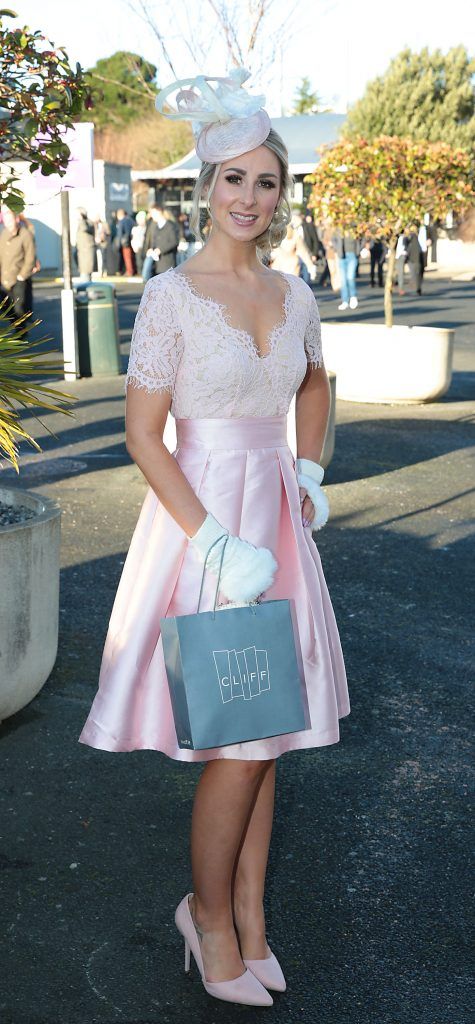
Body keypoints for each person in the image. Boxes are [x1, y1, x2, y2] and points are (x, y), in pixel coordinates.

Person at [79, 68, 350, 1008]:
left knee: (263, 735)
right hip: (207, 528)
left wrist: (309, 470)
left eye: (265, 180)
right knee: (238, 736)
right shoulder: (169, 295)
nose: (249, 197)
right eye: (233, 178)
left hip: (275, 512)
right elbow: (140, 437)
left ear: (283, 192)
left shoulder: (294, 290)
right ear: (205, 187)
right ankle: (207, 917)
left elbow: (314, 384)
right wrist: (216, 545)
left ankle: (250, 917)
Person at [0, 207, 36, 318]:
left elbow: (31, 257)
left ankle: (21, 334)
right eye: (6, 221)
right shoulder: (4, 234)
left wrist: (22, 275)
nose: (8, 224)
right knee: (6, 308)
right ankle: (16, 329)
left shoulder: (25, 235)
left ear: (16, 220)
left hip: (18, 279)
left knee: (19, 309)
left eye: (10, 221)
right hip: (4, 278)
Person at [141, 202, 178, 279]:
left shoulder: (170, 225)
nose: (151, 215)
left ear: (159, 211)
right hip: (156, 265)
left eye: (153, 213)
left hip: (167, 264)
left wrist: (160, 250)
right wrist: (151, 249)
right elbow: (154, 241)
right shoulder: (155, 226)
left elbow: (174, 241)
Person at [332, 230, 360, 309]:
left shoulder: (354, 228)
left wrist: (358, 250)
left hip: (352, 254)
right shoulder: (338, 228)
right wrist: (337, 249)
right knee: (343, 280)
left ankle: (353, 296)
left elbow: (361, 239)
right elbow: (333, 239)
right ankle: (345, 300)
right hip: (342, 256)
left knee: (350, 277)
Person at [75, 208, 95, 281]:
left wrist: (82, 219)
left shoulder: (87, 222)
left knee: (86, 272)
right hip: (82, 250)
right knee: (83, 272)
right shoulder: (83, 222)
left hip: (86, 250)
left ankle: (87, 289)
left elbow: (85, 228)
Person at [116, 209, 136, 276]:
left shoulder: (122, 221)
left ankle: (129, 271)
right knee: (132, 257)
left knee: (127, 257)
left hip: (125, 242)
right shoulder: (131, 220)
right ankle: (133, 270)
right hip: (132, 241)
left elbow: (120, 234)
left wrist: (118, 244)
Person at [407, 224, 423, 295]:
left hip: (413, 260)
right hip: (417, 260)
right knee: (418, 275)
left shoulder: (411, 239)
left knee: (414, 274)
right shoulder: (416, 239)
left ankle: (417, 287)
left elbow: (408, 250)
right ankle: (418, 288)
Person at [131, 210, 147, 277]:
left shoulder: (147, 228)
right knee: (139, 262)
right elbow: (133, 239)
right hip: (138, 247)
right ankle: (141, 274)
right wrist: (134, 247)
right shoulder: (135, 229)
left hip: (145, 248)